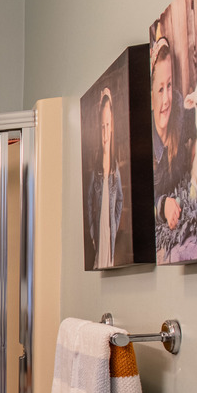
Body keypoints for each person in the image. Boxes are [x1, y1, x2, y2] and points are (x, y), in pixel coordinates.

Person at [150, 37, 197, 262]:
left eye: (169, 86)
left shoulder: (178, 109)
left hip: (188, 204)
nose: (167, 98)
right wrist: (162, 206)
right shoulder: (143, 142)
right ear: (149, 94)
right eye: (160, 89)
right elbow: (139, 203)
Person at [85, 88, 124, 268]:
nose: (105, 132)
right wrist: (94, 232)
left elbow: (119, 201)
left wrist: (113, 226)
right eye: (102, 126)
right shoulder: (96, 170)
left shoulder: (115, 170)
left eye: (108, 126)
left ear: (112, 127)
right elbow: (89, 202)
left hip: (110, 232)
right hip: (99, 232)